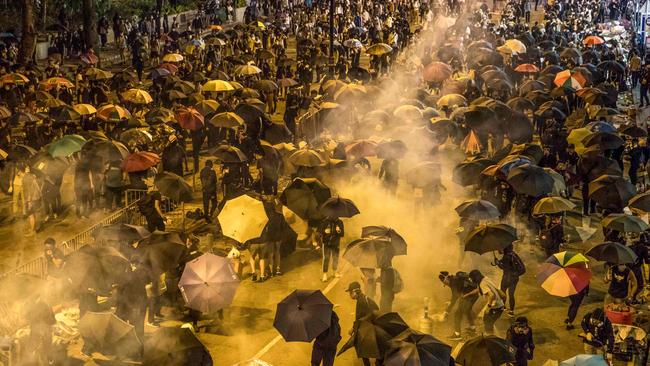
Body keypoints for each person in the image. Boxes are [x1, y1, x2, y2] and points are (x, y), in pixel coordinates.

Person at [346, 281, 378, 366]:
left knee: (363, 349)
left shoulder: (361, 301)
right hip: (370, 326)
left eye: (350, 292)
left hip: (365, 328)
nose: (349, 295)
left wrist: (353, 328)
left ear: (354, 292)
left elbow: (359, 318)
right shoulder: (365, 298)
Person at [439, 271, 478, 340]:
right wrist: (450, 302)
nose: (446, 285)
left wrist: (446, 312)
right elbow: (456, 294)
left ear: (446, 279)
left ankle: (457, 334)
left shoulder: (453, 283)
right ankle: (472, 328)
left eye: (445, 283)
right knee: (467, 310)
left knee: (457, 314)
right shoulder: (454, 279)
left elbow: (455, 297)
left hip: (469, 296)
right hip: (473, 295)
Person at [466, 269, 505, 335]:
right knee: (487, 321)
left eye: (471, 278)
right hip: (499, 305)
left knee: (488, 322)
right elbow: (479, 289)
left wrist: (488, 307)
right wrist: (467, 294)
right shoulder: (485, 279)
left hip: (495, 307)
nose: (471, 280)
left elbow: (491, 295)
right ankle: (492, 335)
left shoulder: (482, 284)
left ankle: (491, 337)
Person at [495, 244, 525, 317]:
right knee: (511, 295)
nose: (500, 250)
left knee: (502, 293)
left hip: (506, 278)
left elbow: (503, 266)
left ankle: (503, 307)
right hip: (514, 279)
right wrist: (515, 275)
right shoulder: (513, 255)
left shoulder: (507, 257)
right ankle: (511, 311)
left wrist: (497, 263)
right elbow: (522, 269)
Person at [317, 216, 344, 282]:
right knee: (326, 258)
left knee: (335, 258)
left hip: (336, 243)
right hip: (326, 243)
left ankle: (335, 272)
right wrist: (324, 231)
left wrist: (339, 231)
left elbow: (342, 234)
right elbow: (319, 231)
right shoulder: (325, 221)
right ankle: (325, 274)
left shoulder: (339, 222)